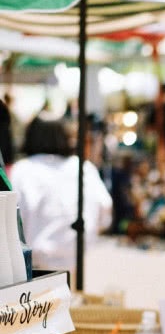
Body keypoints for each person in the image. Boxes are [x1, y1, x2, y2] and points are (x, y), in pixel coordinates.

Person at [9, 114, 112, 276]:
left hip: (35, 268)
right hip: (79, 264)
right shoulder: (84, 168)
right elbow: (105, 214)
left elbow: (11, 219)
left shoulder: (22, 170)